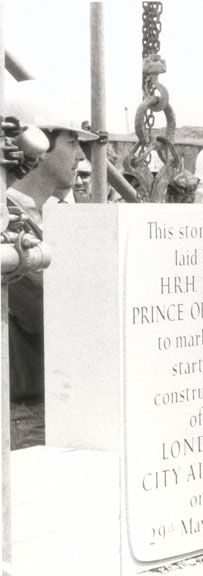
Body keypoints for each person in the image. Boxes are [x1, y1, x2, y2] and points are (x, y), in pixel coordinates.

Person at [4, 79, 98, 449]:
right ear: (38, 145)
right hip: (24, 413)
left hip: (55, 404)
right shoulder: (7, 224)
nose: (81, 156)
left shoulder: (44, 219)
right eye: (72, 141)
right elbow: (52, 314)